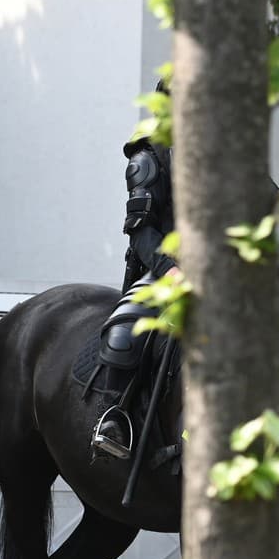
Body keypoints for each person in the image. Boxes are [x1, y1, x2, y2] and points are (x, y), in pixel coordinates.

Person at [92, 81, 179, 458]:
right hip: (164, 270)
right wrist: (174, 271)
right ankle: (115, 416)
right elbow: (143, 233)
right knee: (127, 332)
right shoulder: (149, 156)